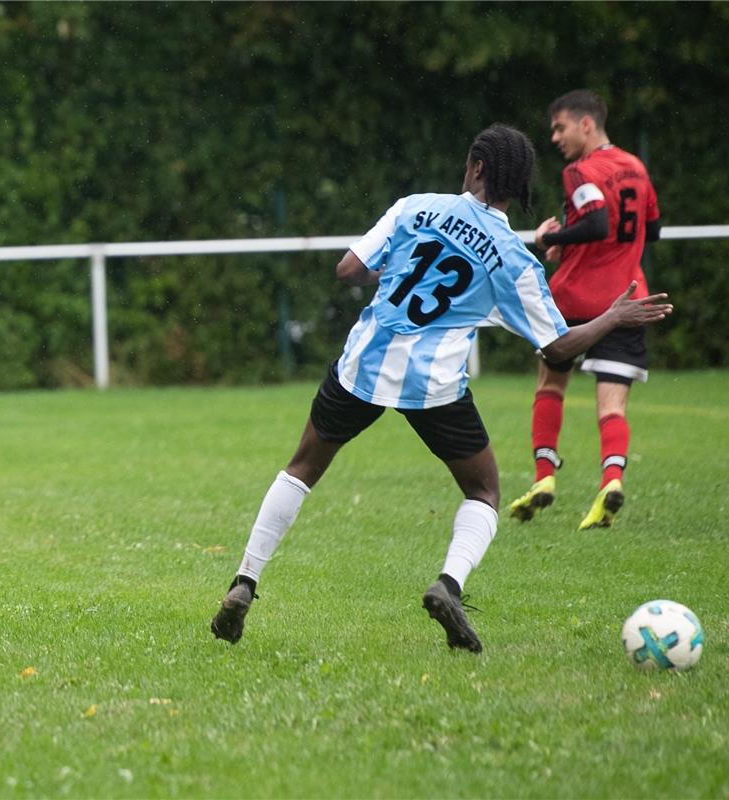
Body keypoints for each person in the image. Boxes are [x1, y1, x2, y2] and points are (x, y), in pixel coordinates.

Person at [210, 125, 672, 652]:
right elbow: (559, 348)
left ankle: (245, 582)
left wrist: (398, 276)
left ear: (476, 167)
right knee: (484, 491)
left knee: (302, 469)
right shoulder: (511, 255)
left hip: (363, 364)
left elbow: (349, 269)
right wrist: (614, 316)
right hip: (434, 386)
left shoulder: (414, 207)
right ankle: (448, 584)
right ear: (515, 186)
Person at [509, 90, 662, 530]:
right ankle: (611, 481)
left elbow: (595, 221)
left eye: (560, 127)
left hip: (574, 303)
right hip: (626, 301)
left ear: (587, 125)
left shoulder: (580, 170)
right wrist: (589, 245)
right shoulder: (636, 167)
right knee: (612, 407)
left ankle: (544, 479)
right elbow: (650, 229)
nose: (555, 137)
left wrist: (550, 240)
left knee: (550, 386)